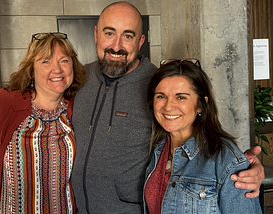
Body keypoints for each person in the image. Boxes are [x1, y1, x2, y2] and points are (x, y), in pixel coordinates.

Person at [71, 2, 264, 214]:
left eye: (128, 36)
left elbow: (198, 129)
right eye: (109, 33)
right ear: (96, 33)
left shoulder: (155, 80)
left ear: (140, 41)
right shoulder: (77, 78)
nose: (116, 46)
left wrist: (240, 167)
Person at [0, 32, 85, 213]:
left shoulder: (80, 107)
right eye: (46, 61)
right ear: (31, 69)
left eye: (64, 60)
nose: (57, 69)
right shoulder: (1, 103)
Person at [144, 59, 262, 213]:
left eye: (181, 97)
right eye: (161, 96)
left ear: (201, 105)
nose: (168, 106)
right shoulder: (155, 149)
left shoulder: (225, 160)